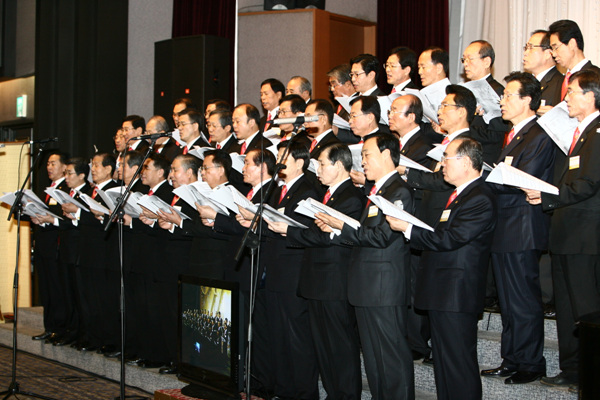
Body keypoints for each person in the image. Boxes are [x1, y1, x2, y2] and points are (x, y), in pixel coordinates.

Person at [388, 137, 497, 400]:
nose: (442, 165)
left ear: (467, 162)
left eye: (446, 158)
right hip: (443, 293)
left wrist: (408, 228)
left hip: (456, 294)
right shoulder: (460, 195)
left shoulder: (479, 197)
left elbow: (451, 239)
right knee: (445, 366)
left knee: (458, 366)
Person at [316, 133, 414, 400]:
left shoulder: (399, 191)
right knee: (375, 362)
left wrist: (342, 227)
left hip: (383, 289)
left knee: (391, 361)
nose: (363, 162)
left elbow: (383, 236)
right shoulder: (377, 192)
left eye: (367, 155)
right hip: (367, 288)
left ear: (386, 155)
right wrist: (338, 230)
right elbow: (364, 233)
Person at [522, 69, 600, 392]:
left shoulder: (597, 132)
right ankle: (572, 369)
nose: (565, 98)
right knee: (567, 308)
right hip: (566, 234)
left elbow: (588, 183)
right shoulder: (581, 132)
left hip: (584, 237)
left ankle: (591, 376)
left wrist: (547, 196)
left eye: (572, 92)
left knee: (585, 307)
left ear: (591, 96)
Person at [267, 143, 364, 400]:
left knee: (340, 347)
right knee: (323, 348)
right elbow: (316, 232)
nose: (317, 169)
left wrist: (289, 231)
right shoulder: (327, 195)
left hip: (334, 282)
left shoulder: (351, 197)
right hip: (317, 281)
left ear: (339, 166)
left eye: (322, 164)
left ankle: (346, 396)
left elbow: (328, 238)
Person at [481, 72, 555, 384]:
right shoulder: (514, 135)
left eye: (509, 95)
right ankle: (511, 359)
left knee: (522, 300)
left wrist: (486, 177)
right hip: (506, 228)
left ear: (527, 100)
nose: (502, 101)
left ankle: (531, 364)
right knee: (508, 301)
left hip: (522, 227)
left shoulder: (539, 135)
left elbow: (525, 179)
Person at [30, 152, 69, 344]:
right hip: (43, 245)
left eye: (53, 163)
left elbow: (61, 216)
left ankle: (60, 329)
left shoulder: (65, 189)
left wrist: (48, 218)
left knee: (56, 288)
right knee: (45, 289)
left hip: (57, 246)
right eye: (47, 164)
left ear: (64, 167)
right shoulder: (47, 189)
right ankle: (49, 327)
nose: (49, 167)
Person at [548, 19, 600, 102]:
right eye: (552, 49)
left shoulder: (596, 76)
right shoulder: (560, 80)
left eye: (556, 47)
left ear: (572, 44)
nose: (553, 54)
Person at [522, 30, 563, 112]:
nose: (525, 53)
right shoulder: (524, 83)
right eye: (526, 48)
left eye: (531, 48)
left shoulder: (561, 84)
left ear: (548, 53)